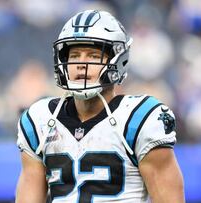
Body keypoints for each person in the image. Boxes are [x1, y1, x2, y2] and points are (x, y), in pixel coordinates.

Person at [15, 10, 184, 203]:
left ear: (118, 60)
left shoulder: (139, 119)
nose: (81, 64)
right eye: (75, 55)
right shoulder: (40, 121)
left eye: (93, 56)